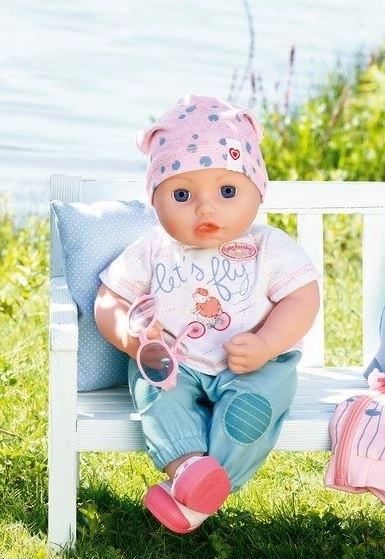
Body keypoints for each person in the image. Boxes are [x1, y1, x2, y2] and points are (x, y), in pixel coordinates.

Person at [94, 93, 321, 533]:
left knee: (251, 411)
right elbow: (110, 299)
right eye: (181, 194)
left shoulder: (268, 248)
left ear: (258, 192)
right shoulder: (154, 249)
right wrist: (133, 338)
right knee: (158, 395)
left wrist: (267, 343)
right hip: (174, 361)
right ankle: (189, 470)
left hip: (255, 366)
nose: (206, 208)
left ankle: (201, 490)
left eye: (228, 190)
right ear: (155, 200)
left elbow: (303, 297)